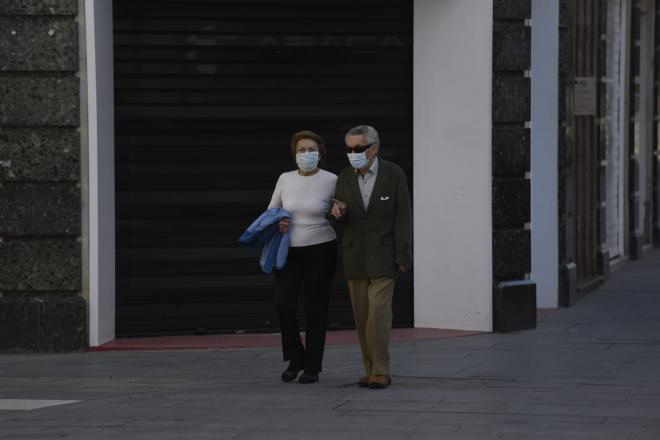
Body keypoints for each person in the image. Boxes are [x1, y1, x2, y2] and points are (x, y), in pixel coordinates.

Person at [330, 125, 412, 389]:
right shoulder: (344, 177)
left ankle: (381, 370)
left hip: (384, 256)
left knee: (378, 315)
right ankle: (369, 370)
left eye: (358, 149)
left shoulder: (393, 174)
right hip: (355, 256)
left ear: (373, 148)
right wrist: (337, 213)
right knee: (362, 318)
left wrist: (403, 254)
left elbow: (403, 218)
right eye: (349, 149)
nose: (352, 153)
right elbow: (336, 214)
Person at [268, 130, 338, 384]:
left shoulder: (331, 180)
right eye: (301, 150)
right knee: (283, 303)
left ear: (320, 154)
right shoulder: (285, 179)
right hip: (289, 251)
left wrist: (338, 211)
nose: (306, 154)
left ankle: (312, 366)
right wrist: (279, 222)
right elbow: (272, 210)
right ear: (294, 154)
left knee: (315, 307)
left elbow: (340, 211)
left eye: (311, 150)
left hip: (321, 249)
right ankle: (295, 358)